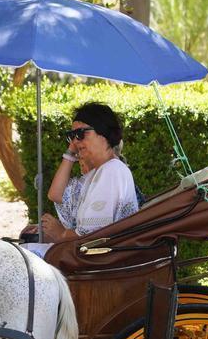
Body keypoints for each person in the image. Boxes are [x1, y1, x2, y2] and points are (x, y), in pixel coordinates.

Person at [22, 102, 139, 255]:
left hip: (99, 263)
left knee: (21, 255)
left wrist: (61, 233)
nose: (75, 142)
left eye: (81, 134)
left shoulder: (112, 170)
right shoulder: (99, 173)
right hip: (92, 258)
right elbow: (56, 195)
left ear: (103, 132)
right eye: (72, 136)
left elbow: (91, 237)